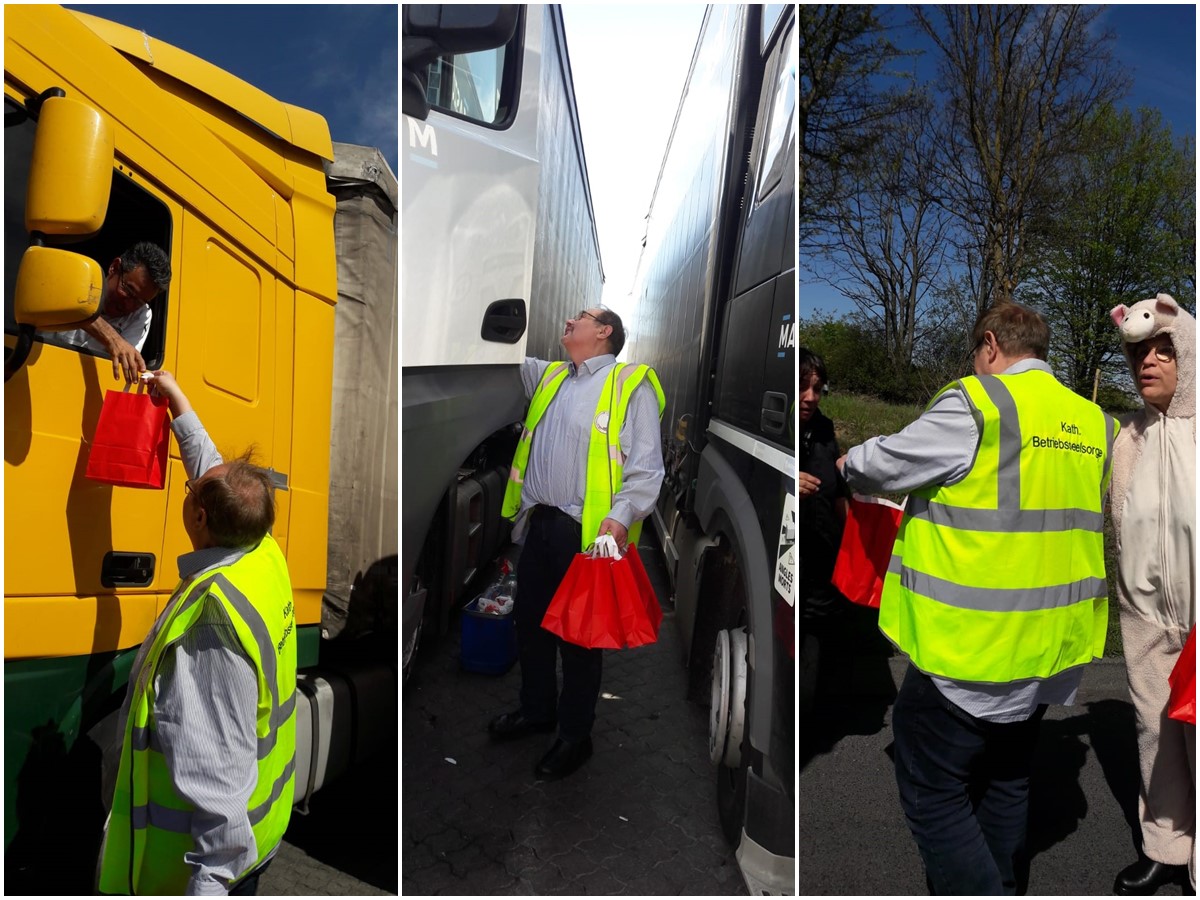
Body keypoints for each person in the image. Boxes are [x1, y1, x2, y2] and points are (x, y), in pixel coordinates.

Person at [836, 302, 1118, 895]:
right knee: (1007, 776)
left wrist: (847, 462)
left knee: (934, 792)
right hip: (1049, 650)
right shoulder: (1094, 422)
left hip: (972, 653)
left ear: (990, 344)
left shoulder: (978, 402)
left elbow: (886, 464)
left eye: (976, 353)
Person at [97, 371, 296, 896]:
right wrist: (176, 399)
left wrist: (210, 883)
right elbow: (211, 468)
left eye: (192, 490)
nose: (195, 481)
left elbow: (218, 779)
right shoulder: (261, 550)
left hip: (195, 875)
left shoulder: (213, 623)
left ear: (199, 516)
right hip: (265, 831)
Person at [489, 306, 665, 780]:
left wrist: (622, 517)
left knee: (580, 640)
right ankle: (537, 711)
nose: (568, 319)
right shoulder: (549, 376)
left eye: (582, 316)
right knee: (531, 626)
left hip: (586, 538)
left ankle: (574, 736)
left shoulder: (632, 384)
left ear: (604, 332)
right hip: (540, 524)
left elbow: (647, 468)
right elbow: (495, 353)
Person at [1108, 294, 1196, 895]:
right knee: (1153, 732)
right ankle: (1165, 845)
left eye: (1164, 351)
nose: (1150, 362)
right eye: (1141, 352)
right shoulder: (1127, 437)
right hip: (1143, 615)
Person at [44, 241, 172, 383]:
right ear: (114, 267)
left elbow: (124, 361)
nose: (128, 304)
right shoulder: (79, 278)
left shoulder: (142, 314)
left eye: (139, 302)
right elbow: (66, 299)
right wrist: (112, 338)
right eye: (128, 291)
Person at [798, 347, 848, 621]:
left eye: (817, 389)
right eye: (802, 387)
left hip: (825, 559)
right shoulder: (780, 427)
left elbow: (839, 493)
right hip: (795, 560)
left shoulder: (824, 428)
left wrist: (852, 546)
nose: (810, 398)